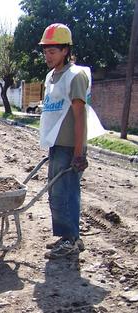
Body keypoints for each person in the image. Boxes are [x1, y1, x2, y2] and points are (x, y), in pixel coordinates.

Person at [38, 23, 104, 259]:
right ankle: (69, 236)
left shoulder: (75, 76)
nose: (48, 55)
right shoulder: (51, 76)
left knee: (66, 192)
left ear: (66, 50)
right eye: (45, 51)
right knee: (56, 192)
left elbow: (80, 117)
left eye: (53, 51)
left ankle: (71, 241)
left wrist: (80, 152)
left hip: (70, 146)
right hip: (57, 144)